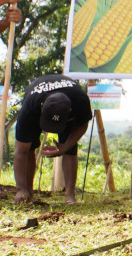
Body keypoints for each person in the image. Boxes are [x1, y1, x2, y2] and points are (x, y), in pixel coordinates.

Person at [13, 75, 92, 204]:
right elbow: (20, 152)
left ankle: (70, 196)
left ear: (70, 110)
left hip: (67, 109)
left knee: (71, 149)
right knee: (28, 149)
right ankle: (26, 191)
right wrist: (20, 189)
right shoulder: (30, 107)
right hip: (36, 102)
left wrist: (66, 146)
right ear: (42, 106)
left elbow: (82, 124)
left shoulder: (80, 100)